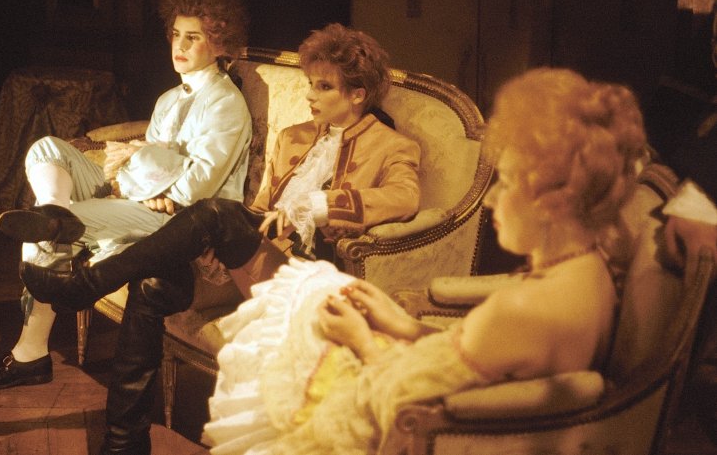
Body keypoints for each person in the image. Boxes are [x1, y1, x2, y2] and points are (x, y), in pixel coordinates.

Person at [11, 23, 422, 455]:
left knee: (216, 211)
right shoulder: (294, 137)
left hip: (304, 274)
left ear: (357, 94)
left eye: (324, 87)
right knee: (153, 284)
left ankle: (88, 284)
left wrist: (319, 206)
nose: (310, 95)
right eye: (309, 84)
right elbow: (260, 209)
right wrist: (215, 247)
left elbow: (404, 197)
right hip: (255, 263)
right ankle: (124, 440)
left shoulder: (390, 146)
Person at [199, 67, 648, 455]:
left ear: (554, 202)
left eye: (508, 182)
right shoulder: (590, 270)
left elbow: (400, 407)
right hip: (423, 386)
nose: (493, 198)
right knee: (311, 292)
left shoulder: (520, 309)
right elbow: (482, 357)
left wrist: (361, 340)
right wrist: (400, 324)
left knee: (293, 322)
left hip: (392, 426)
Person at [0, 0, 252, 400]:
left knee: (50, 235)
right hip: (139, 195)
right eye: (175, 34)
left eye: (193, 37)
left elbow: (198, 183)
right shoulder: (170, 98)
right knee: (47, 149)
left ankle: (30, 354)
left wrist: (154, 187)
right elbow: (151, 157)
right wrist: (132, 180)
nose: (179, 46)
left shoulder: (225, 103)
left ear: (220, 43)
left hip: (180, 218)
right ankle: (53, 210)